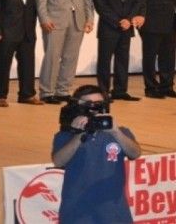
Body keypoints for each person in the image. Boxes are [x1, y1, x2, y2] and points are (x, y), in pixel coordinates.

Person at [51, 84, 141, 223]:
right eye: (88, 105)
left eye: (98, 104)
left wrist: (116, 132)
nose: (93, 110)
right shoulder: (66, 135)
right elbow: (58, 161)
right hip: (77, 213)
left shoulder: (120, 132)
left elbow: (135, 153)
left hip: (114, 213)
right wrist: (78, 136)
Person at [36, 0, 94, 104]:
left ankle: (63, 90)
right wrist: (44, 18)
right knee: (52, 56)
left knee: (71, 57)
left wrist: (90, 19)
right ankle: (47, 92)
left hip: (78, 20)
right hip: (54, 20)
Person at [92, 0, 144, 101]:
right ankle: (103, 92)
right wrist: (118, 21)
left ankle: (120, 91)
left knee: (123, 60)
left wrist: (129, 20)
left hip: (126, 28)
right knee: (104, 61)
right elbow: (101, 6)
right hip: (109, 28)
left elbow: (137, 2)